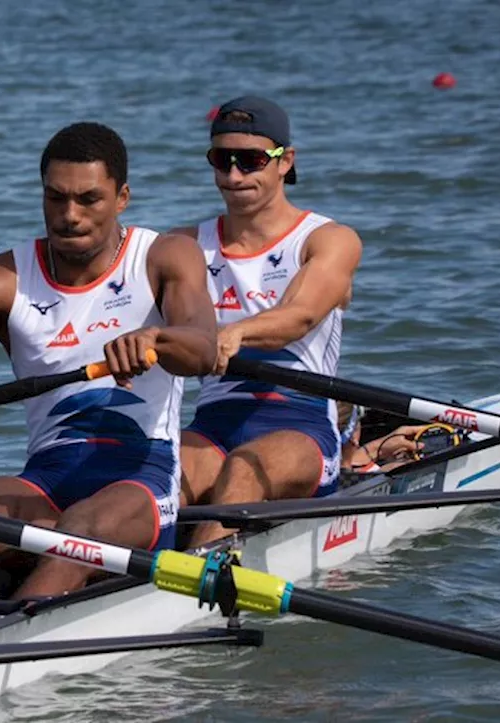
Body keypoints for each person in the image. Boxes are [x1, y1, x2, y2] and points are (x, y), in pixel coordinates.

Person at [0, 121, 218, 603]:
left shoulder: (164, 257)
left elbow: (203, 350)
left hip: (142, 479)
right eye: (55, 198)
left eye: (89, 199)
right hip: (46, 478)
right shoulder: (0, 277)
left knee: (82, 529)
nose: (69, 215)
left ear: (122, 198)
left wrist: (158, 337)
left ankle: (3, 645)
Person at [178, 96, 364, 547]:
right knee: (149, 480)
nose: (235, 175)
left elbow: (298, 317)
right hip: (212, 424)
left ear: (286, 162)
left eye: (252, 160)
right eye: (223, 160)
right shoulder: (183, 245)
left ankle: (192, 581)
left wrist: (235, 333)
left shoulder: (327, 240)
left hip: (300, 427)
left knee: (243, 470)